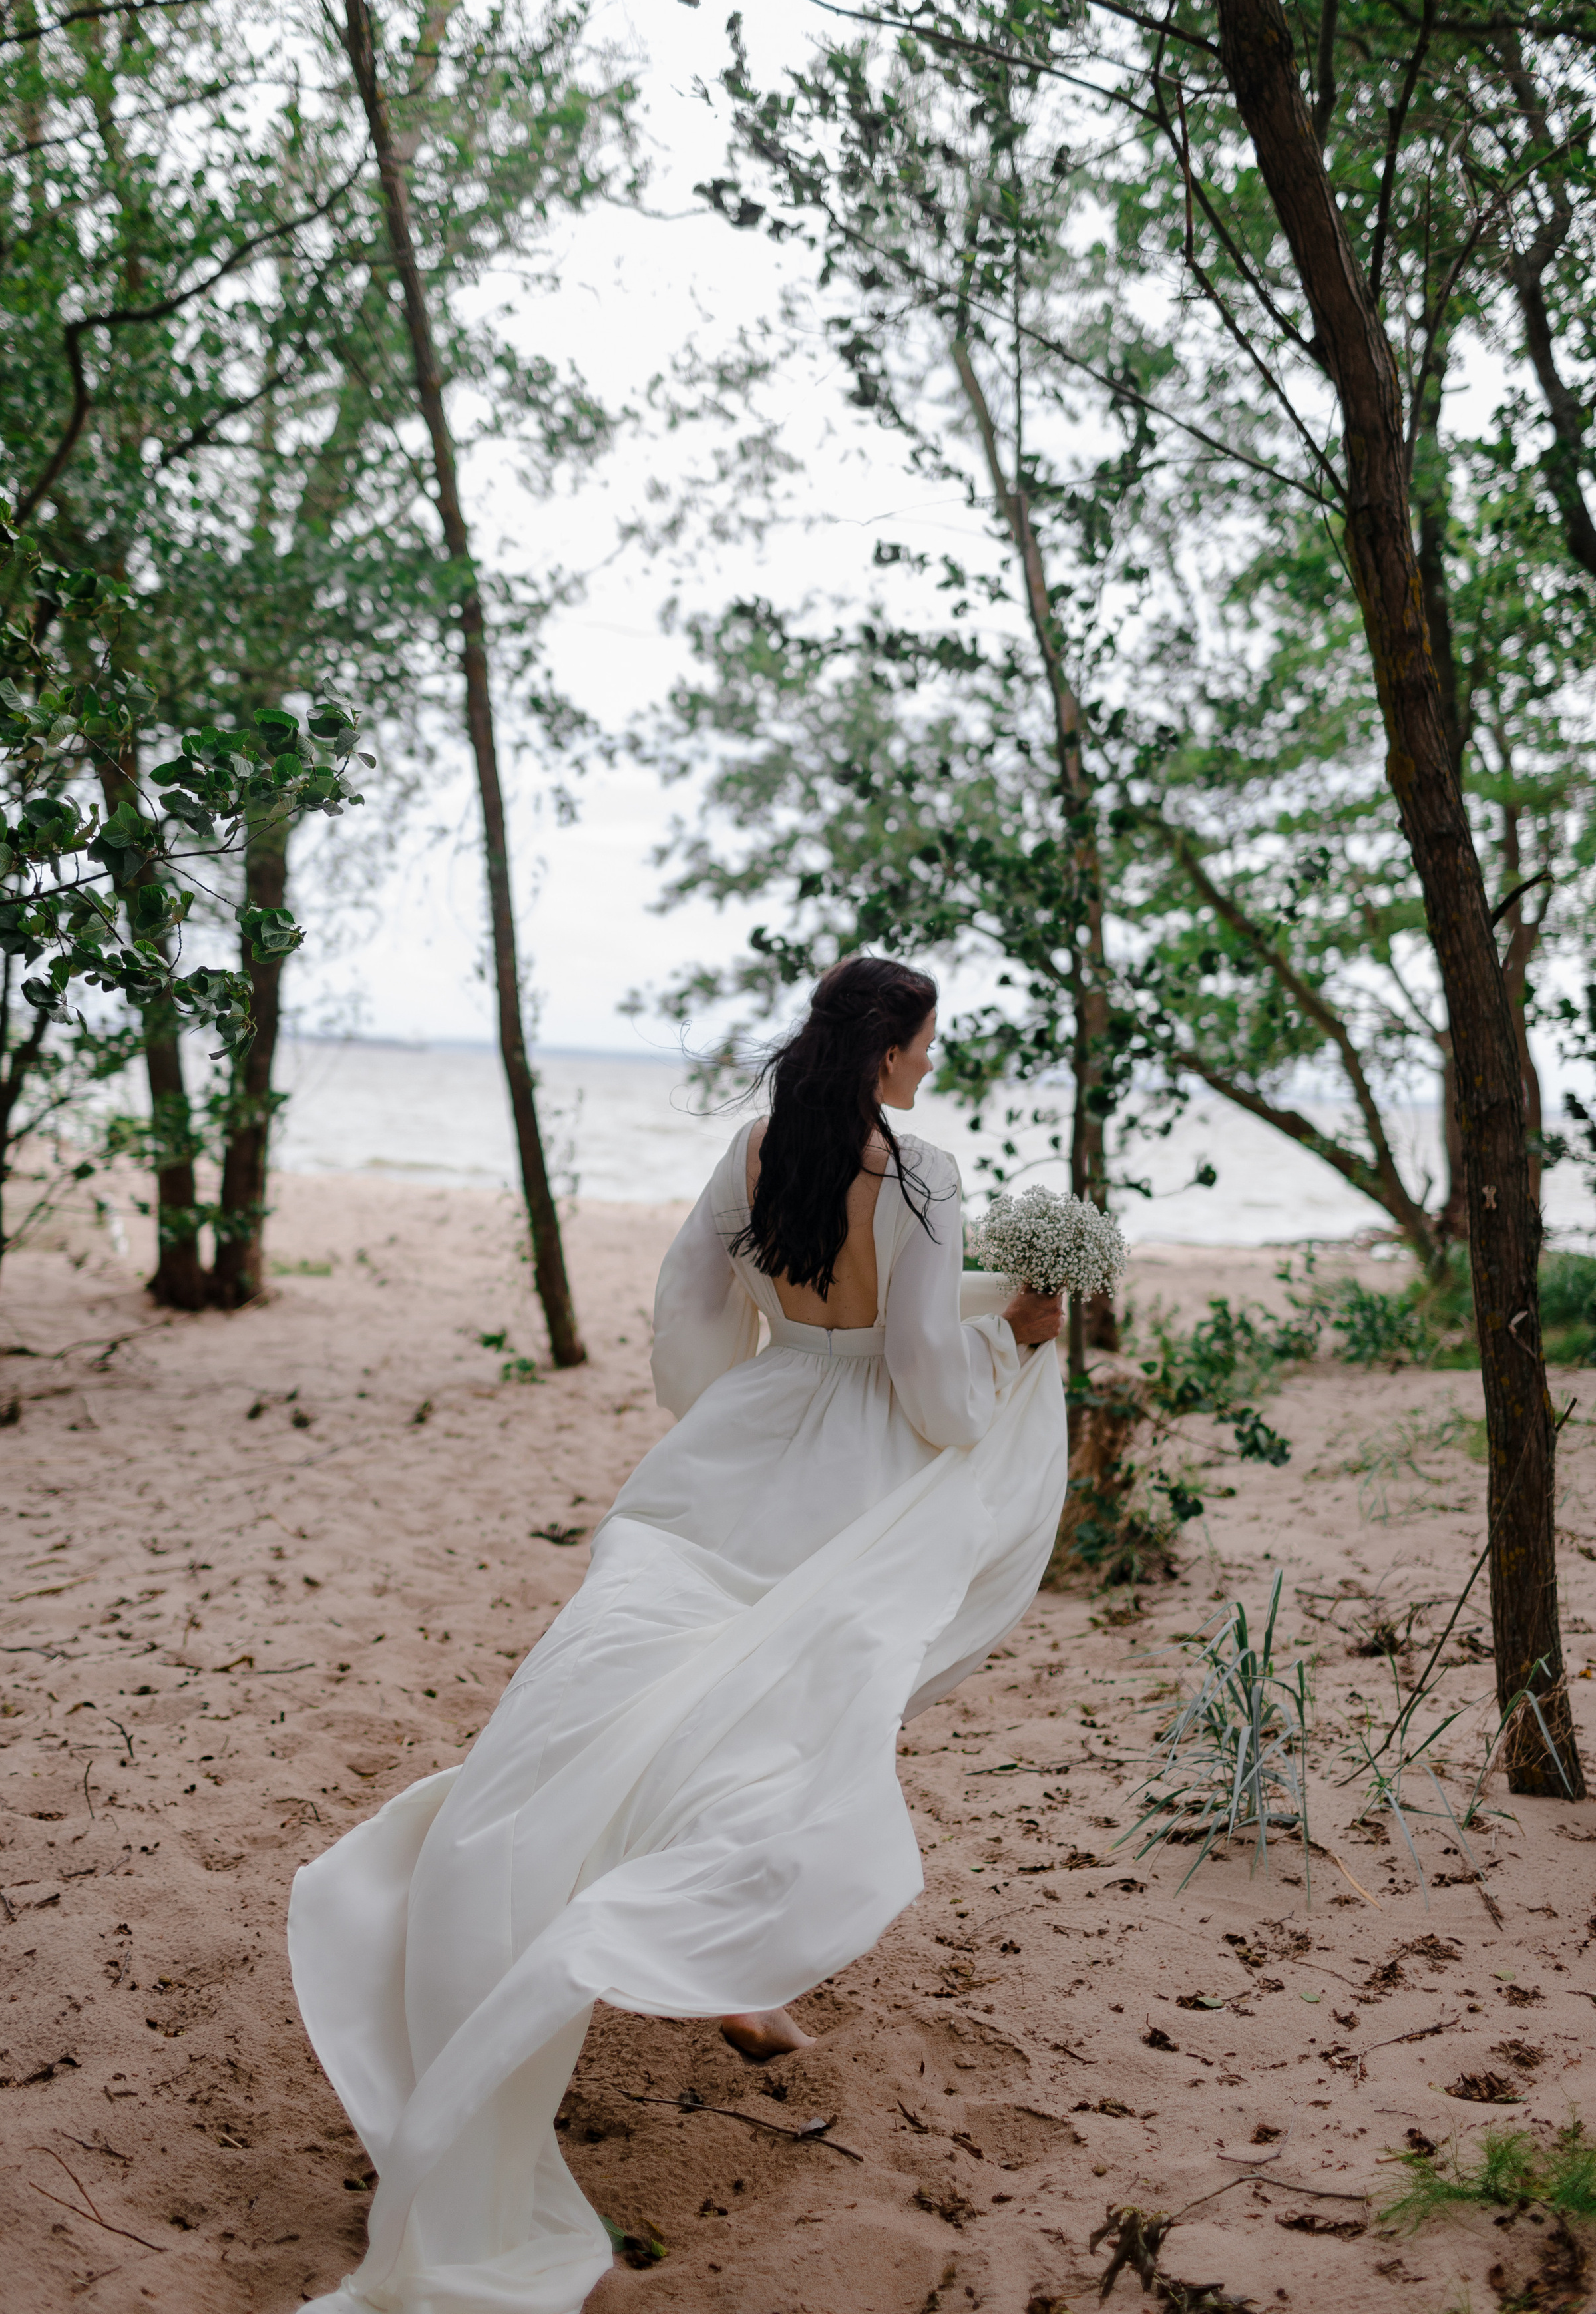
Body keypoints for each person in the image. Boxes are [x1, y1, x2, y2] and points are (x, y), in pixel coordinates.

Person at [287, 956, 1069, 2314]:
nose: (934, 1062)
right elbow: (923, 1379)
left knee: (659, 1695)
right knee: (795, 1718)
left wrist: (724, 1405)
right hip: (854, 1474)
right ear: (893, 1049)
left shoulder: (761, 1142)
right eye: (930, 1041)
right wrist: (1024, 1342)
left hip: (741, 1448)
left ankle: (727, 1972)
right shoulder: (923, 1169)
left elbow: (696, 1310)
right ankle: (715, 1953)